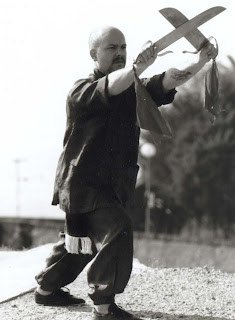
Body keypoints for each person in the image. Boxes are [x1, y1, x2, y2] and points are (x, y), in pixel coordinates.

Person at [34, 26, 216, 319]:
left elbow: (168, 79)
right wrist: (136, 67)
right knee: (117, 229)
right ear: (94, 54)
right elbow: (112, 85)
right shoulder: (81, 91)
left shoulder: (134, 90)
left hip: (112, 184)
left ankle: (46, 291)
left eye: (123, 47)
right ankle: (104, 307)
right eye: (112, 48)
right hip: (83, 183)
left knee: (83, 240)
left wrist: (199, 61)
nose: (120, 53)